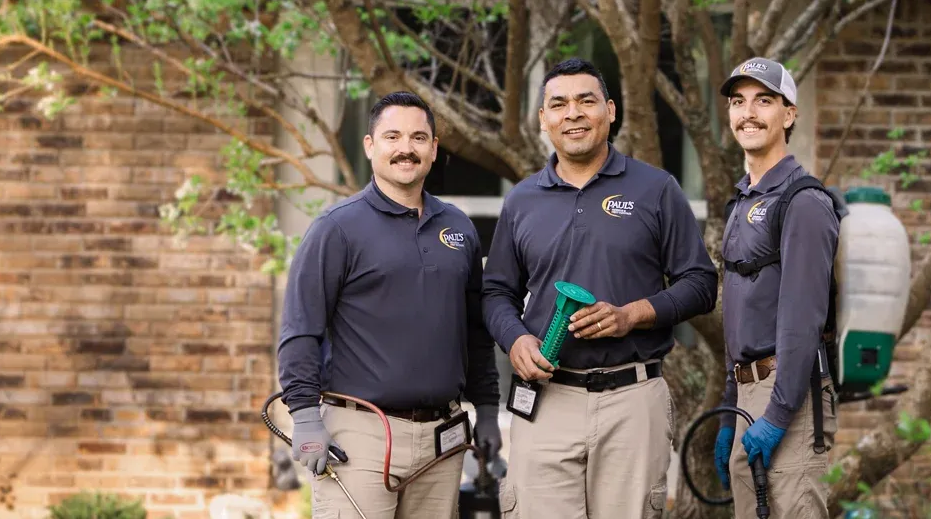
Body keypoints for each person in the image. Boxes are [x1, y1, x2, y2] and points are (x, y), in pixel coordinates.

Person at [483, 58, 718, 518]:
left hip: (632, 399)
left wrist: (631, 315)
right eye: (559, 104)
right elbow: (496, 293)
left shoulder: (656, 189)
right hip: (547, 399)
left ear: (610, 111)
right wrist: (515, 340)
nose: (573, 113)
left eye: (586, 101)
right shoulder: (522, 200)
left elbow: (701, 283)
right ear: (543, 120)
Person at [277, 91, 504, 519]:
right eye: (393, 136)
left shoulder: (458, 228)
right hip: (361, 436)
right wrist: (305, 418)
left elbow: (475, 332)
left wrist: (488, 411)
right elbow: (300, 330)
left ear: (434, 149)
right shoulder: (336, 229)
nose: (406, 148)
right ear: (370, 146)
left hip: (443, 439)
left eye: (419, 137)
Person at [712, 57, 840, 519]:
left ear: (788, 114)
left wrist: (779, 416)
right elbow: (738, 318)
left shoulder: (803, 201)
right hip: (750, 397)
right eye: (738, 101)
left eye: (764, 101)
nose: (749, 112)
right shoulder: (744, 199)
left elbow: (803, 320)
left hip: (792, 397)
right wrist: (731, 412)